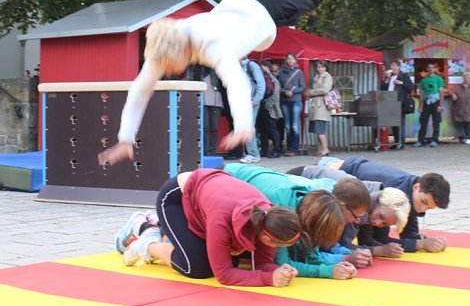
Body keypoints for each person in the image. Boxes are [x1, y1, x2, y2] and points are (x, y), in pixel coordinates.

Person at [98, 0, 369, 166]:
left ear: (180, 50)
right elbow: (139, 90)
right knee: (292, 1)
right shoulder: (164, 43)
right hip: (242, 0)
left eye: (171, 66)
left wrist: (242, 127)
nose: (171, 71)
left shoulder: (213, 45)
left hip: (261, 3)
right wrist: (125, 139)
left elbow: (237, 84)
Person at [118, 168, 301, 287]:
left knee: (235, 261)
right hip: (176, 199)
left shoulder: (267, 217)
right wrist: (268, 279)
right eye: (279, 245)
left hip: (206, 203)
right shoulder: (223, 219)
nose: (278, 249)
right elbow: (224, 275)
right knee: (197, 268)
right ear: (268, 237)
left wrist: (276, 271)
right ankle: (148, 242)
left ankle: (161, 229)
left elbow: (260, 263)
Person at [224, 163, 373, 277]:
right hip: (227, 177)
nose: (356, 222)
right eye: (356, 216)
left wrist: (338, 263)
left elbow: (310, 255)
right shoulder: (283, 214)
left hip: (252, 179)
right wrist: (327, 271)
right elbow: (281, 263)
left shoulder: (317, 206)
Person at [316, 157, 450, 254]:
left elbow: (407, 233)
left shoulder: (408, 197)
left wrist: (426, 241)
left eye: (428, 208)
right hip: (327, 170)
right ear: (416, 187)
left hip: (339, 172)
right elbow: (373, 239)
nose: (422, 209)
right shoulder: (390, 197)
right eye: (424, 202)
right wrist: (421, 244)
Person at [288, 164, 413, 259]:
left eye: (384, 224)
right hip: (298, 179)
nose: (377, 223)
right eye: (380, 216)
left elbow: (364, 240)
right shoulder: (357, 206)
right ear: (378, 201)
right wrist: (377, 251)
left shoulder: (373, 205)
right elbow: (333, 245)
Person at [381, 60, 415, 148]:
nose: (391, 67)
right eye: (391, 66)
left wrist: (401, 83)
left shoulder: (404, 76)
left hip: (400, 102)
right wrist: (387, 79)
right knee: (393, 122)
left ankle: (401, 142)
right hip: (390, 102)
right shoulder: (390, 76)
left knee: (400, 122)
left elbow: (411, 87)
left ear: (398, 67)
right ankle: (396, 142)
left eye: (393, 65)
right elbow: (383, 89)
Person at [304, 61, 333, 156]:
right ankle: (320, 149)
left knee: (321, 129)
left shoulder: (327, 77)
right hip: (315, 105)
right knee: (317, 129)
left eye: (322, 67)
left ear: (326, 67)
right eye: (318, 67)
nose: (320, 69)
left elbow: (325, 90)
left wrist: (311, 92)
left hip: (322, 105)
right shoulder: (316, 77)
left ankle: (325, 149)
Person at [278, 53, 305, 156]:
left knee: (294, 126)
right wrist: (285, 92)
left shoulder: (299, 72)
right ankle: (289, 148)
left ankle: (295, 148)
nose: (290, 61)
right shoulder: (281, 72)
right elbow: (278, 87)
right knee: (288, 126)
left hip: (296, 101)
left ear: (295, 60)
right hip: (285, 101)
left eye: (292, 59)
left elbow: (302, 87)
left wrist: (293, 91)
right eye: (288, 59)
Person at [415, 62, 446, 147]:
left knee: (436, 122)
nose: (430, 69)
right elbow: (422, 94)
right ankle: (421, 141)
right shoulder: (423, 80)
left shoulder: (439, 79)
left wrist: (440, 105)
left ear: (434, 69)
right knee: (423, 122)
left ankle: (435, 140)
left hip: (436, 102)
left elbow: (441, 93)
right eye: (429, 68)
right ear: (427, 69)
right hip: (426, 102)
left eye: (432, 67)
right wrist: (420, 106)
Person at [240, 57, 265, 163]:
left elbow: (261, 83)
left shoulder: (251, 65)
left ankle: (253, 154)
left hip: (251, 101)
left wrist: (256, 99)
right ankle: (251, 153)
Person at [257, 62, 283, 158]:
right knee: (262, 130)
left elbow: (275, 96)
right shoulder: (261, 79)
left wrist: (268, 105)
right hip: (261, 107)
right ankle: (264, 150)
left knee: (273, 130)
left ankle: (277, 150)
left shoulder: (274, 81)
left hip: (270, 108)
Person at [449, 71, 470, 144]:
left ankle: (469, 137)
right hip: (460, 110)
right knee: (461, 124)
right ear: (464, 79)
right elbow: (453, 99)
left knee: (469, 124)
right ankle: (462, 137)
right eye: (469, 78)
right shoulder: (458, 88)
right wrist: (453, 97)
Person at [200, 69, 224, 156]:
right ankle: (205, 150)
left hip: (216, 101)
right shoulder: (200, 70)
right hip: (203, 101)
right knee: (204, 127)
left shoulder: (218, 70)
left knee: (214, 127)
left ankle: (212, 150)